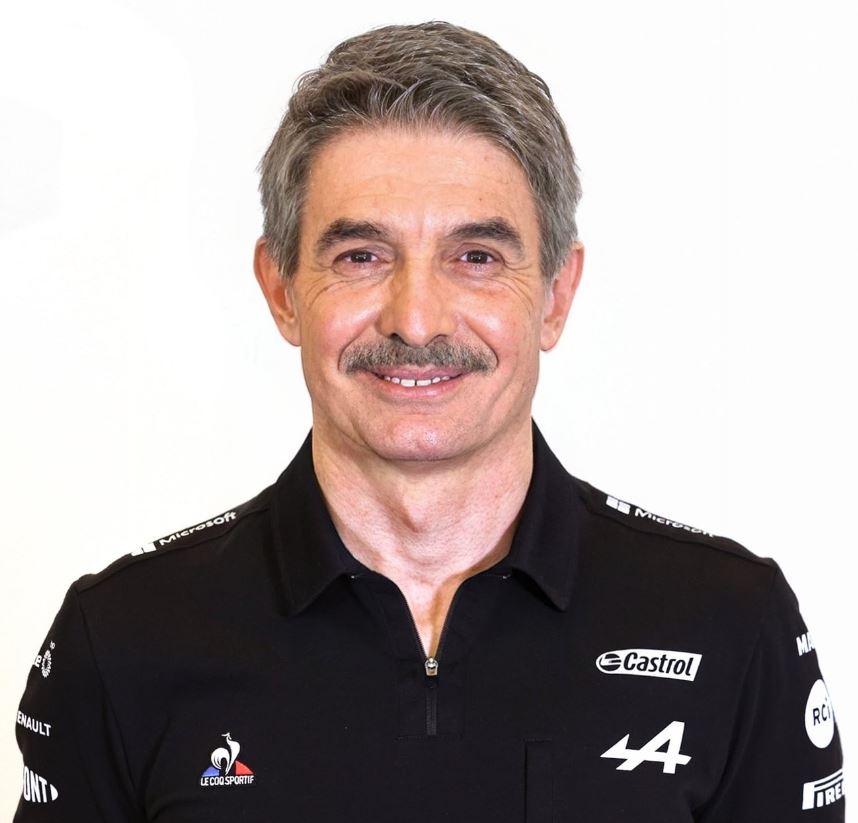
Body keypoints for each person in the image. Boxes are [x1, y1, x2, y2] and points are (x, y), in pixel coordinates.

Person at [14, 20, 843, 822]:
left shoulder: (732, 625)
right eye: (361, 256)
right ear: (282, 290)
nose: (416, 320)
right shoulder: (121, 640)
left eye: (476, 257)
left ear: (556, 295)